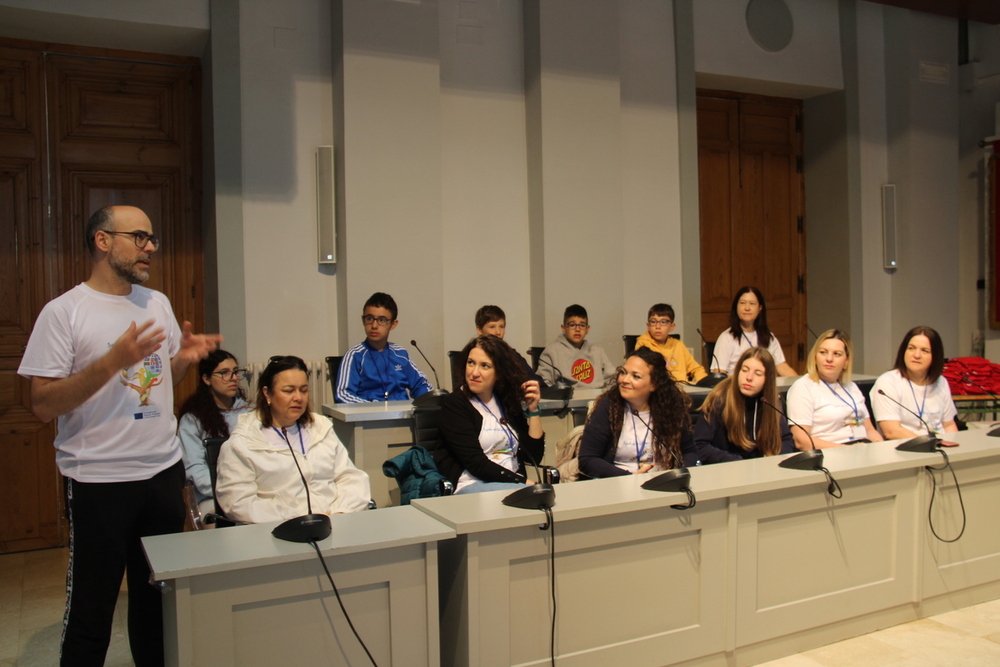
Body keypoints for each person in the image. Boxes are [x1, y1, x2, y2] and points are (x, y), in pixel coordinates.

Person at [17, 205, 221, 667]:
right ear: (103, 240)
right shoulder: (65, 312)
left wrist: (185, 359)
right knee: (93, 610)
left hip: (161, 473)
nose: (150, 247)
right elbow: (43, 403)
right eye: (139, 237)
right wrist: (112, 360)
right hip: (98, 481)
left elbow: (155, 377)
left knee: (156, 603)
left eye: (152, 238)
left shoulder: (157, 303)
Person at [216, 355, 371, 521]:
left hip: (334, 522)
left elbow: (352, 478)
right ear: (267, 393)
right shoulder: (243, 443)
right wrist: (295, 518)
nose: (298, 398)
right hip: (279, 530)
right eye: (288, 391)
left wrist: (341, 512)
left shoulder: (321, 428)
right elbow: (238, 503)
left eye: (303, 390)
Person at [439, 335, 545, 494]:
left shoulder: (505, 401)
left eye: (485, 366)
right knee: (534, 499)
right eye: (471, 363)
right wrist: (522, 482)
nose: (474, 372)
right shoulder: (454, 405)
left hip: (513, 484)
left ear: (499, 372)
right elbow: (477, 464)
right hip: (472, 484)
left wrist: (533, 410)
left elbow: (533, 458)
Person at [578, 347, 694, 478]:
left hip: (664, 482)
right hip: (618, 484)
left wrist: (679, 475)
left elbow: (690, 452)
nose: (625, 380)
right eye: (623, 372)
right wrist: (629, 478)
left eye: (636, 376)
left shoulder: (670, 407)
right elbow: (587, 460)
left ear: (654, 385)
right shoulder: (608, 406)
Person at [177, 349, 253, 515]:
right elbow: (195, 468)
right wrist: (228, 490)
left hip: (250, 491)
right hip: (212, 495)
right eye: (224, 373)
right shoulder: (192, 420)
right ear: (206, 379)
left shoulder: (251, 413)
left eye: (235, 372)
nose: (233, 378)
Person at [689, 347, 795, 464]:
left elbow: (785, 440)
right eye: (744, 370)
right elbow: (700, 445)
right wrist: (739, 463)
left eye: (758, 374)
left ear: (767, 380)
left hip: (761, 469)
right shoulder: (719, 399)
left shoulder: (771, 402)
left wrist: (775, 462)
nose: (749, 377)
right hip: (726, 468)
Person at [786, 330, 883, 449]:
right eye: (823, 352)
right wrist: (847, 450)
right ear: (815, 357)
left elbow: (869, 430)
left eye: (837, 354)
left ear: (846, 361)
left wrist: (880, 448)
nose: (829, 359)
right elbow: (801, 440)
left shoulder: (851, 386)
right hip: (831, 452)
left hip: (861, 447)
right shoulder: (803, 387)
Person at [335, 292, 433, 402]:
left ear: (393, 324)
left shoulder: (400, 353)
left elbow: (421, 385)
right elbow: (343, 394)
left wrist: (429, 401)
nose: (374, 326)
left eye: (382, 320)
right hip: (369, 416)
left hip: (402, 416)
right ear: (363, 320)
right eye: (369, 318)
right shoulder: (355, 355)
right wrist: (372, 408)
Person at [871, 326, 958, 439]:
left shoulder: (941, 382)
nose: (916, 355)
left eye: (925, 351)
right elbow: (892, 431)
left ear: (935, 356)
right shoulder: (888, 382)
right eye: (911, 348)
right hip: (906, 449)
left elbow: (949, 425)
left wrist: (954, 447)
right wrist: (930, 445)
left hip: (940, 448)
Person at [712, 287, 797, 377]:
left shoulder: (768, 337)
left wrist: (802, 385)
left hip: (765, 388)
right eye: (742, 303)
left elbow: (782, 367)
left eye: (752, 304)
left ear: (760, 308)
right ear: (736, 307)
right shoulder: (727, 337)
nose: (747, 308)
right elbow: (719, 375)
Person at [536, 304, 615, 387]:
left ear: (587, 329)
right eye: (572, 325)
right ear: (563, 328)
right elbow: (543, 385)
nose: (577, 329)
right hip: (566, 398)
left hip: (596, 397)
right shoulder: (552, 351)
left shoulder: (597, 351)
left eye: (582, 325)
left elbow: (612, 379)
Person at [634, 303, 707, 384]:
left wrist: (703, 383)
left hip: (682, 389)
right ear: (648, 325)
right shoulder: (643, 344)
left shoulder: (678, 345)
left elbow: (696, 369)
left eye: (663, 322)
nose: (658, 326)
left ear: (672, 326)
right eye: (653, 322)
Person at [474, 304, 545, 385]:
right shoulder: (474, 355)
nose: (498, 332)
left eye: (501, 327)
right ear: (479, 330)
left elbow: (534, 380)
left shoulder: (511, 354)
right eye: (492, 327)